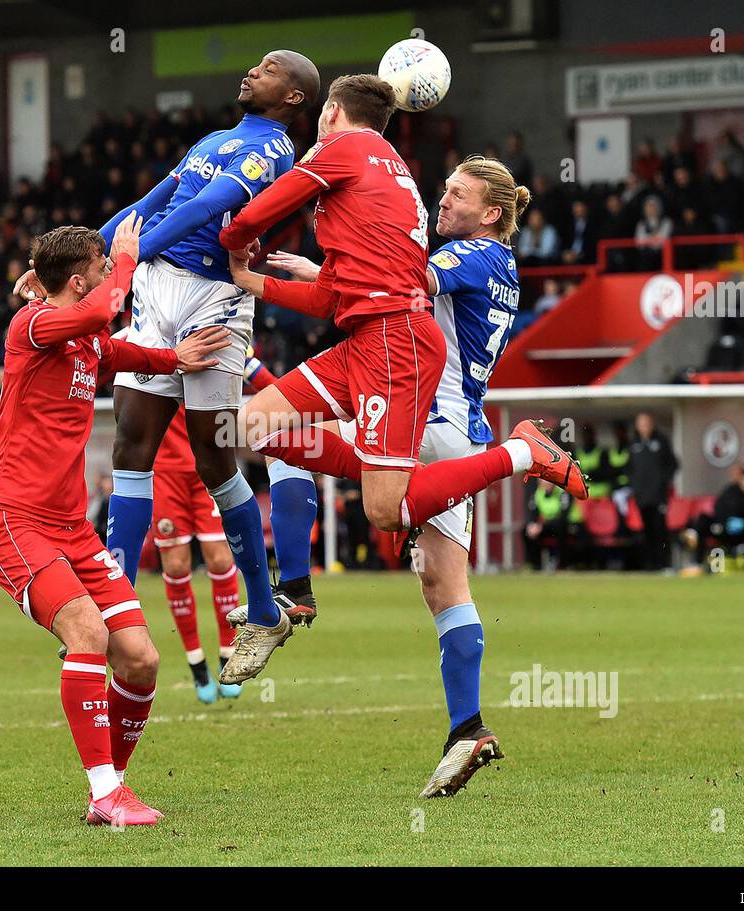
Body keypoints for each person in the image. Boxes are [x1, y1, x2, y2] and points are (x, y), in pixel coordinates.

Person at [220, 83, 588, 686]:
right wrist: (314, 278)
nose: (442, 202)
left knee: (395, 525)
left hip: (428, 412)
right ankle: (465, 728)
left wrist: (327, 266)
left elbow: (403, 274)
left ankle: (522, 452)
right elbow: (383, 278)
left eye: (457, 195)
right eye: (442, 191)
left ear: (491, 213)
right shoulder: (492, 266)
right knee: (439, 581)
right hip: (411, 391)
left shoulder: (473, 256)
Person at [13, 52, 321, 669]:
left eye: (267, 70)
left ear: (293, 98)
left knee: (214, 459)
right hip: (155, 291)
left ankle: (264, 610)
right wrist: (76, 266)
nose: (251, 73)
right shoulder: (213, 139)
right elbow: (152, 201)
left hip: (213, 299)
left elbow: (200, 212)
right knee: (131, 447)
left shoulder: (276, 153)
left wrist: (116, 271)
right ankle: (113, 602)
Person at [0, 215, 228, 826]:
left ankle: (111, 785)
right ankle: (104, 791)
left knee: (140, 659)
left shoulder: (89, 342)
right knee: (87, 633)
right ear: (80, 276)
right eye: (100, 267)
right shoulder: (32, 323)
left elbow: (125, 350)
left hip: (71, 527)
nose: (112, 275)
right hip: (13, 517)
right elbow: (95, 316)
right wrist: (123, 259)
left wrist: (179, 356)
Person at [150, 408, 244, 703]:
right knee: (176, 566)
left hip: (208, 461)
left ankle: (228, 656)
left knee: (219, 559)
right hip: (166, 472)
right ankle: (197, 663)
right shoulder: (156, 362)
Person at [626, 413, 678, 571]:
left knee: (660, 529)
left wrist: (663, 481)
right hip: (642, 496)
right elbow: (629, 468)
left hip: (659, 495)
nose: (644, 427)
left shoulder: (661, 442)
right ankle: (650, 565)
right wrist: (634, 485)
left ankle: (665, 564)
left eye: (647, 424)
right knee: (646, 530)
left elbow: (673, 464)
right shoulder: (634, 444)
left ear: (652, 424)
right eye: (641, 424)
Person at [523, 479, 585, 569]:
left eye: (547, 480)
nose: (544, 483)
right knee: (526, 531)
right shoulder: (538, 493)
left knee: (560, 529)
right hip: (550, 525)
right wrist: (532, 525)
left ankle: (563, 563)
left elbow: (563, 516)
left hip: (571, 523)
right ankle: (535, 564)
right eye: (542, 480)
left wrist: (541, 527)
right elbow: (533, 512)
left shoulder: (563, 492)